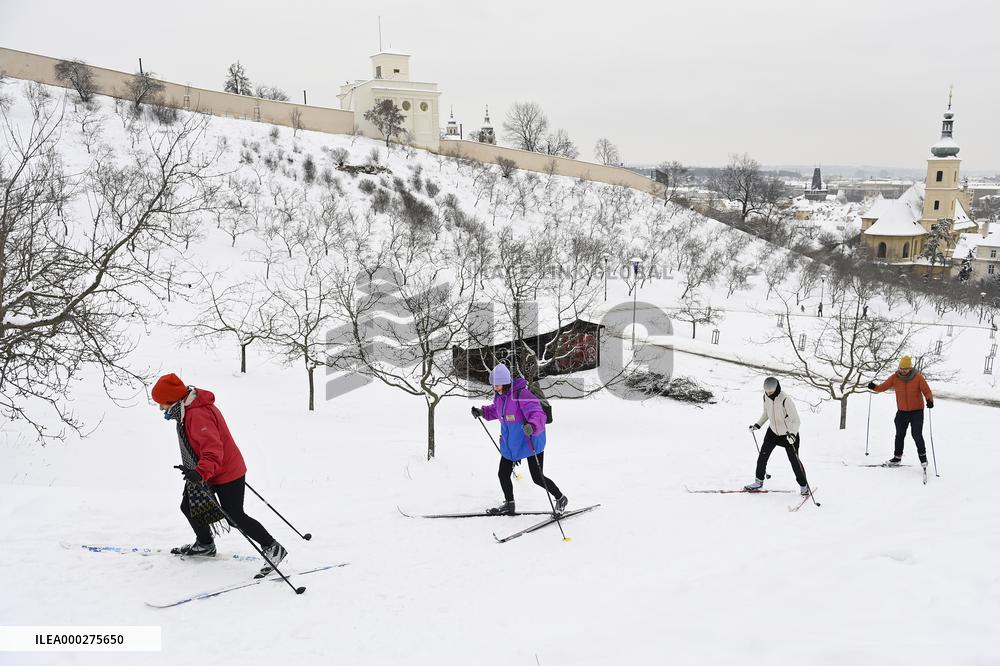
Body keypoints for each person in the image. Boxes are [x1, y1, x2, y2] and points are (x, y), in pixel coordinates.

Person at [151, 373, 286, 574]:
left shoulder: (197, 415)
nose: (161, 409)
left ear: (173, 400)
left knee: (235, 515)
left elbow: (213, 451)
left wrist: (199, 472)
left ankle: (273, 548)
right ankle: (205, 545)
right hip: (208, 470)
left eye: (162, 404)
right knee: (188, 506)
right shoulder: (188, 409)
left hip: (225, 470)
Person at [471, 363, 568, 515]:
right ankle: (510, 504)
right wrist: (482, 412)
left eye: (497, 385)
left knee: (537, 477)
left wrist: (532, 425)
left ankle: (560, 498)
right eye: (493, 385)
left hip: (530, 442)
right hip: (512, 444)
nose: (494, 388)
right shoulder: (500, 398)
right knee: (503, 474)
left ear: (504, 382)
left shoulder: (522, 395)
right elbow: (495, 411)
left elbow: (538, 414)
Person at [746, 376, 811, 496]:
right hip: (773, 432)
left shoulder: (785, 399)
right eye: (767, 391)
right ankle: (758, 482)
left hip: (788, 434)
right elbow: (766, 413)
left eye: (771, 391)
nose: (769, 393)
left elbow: (796, 420)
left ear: (777, 388)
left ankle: (804, 486)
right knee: (762, 457)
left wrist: (793, 434)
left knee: (794, 461)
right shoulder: (765, 397)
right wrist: (758, 425)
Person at [867, 356, 934, 468]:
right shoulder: (895, 377)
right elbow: (883, 387)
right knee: (899, 435)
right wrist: (874, 387)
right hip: (902, 412)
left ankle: (923, 458)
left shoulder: (918, 378)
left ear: (910, 368)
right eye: (901, 368)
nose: (903, 370)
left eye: (906, 368)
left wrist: (929, 400)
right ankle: (897, 458)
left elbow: (927, 391)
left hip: (916, 412)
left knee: (916, 434)